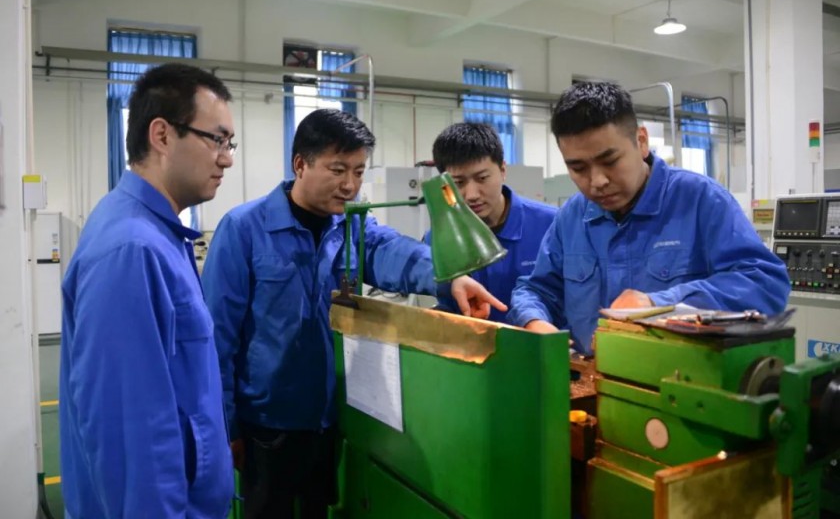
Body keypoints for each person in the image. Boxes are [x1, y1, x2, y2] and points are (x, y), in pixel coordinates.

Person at [201, 108, 504, 519]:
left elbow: (394, 252)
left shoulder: (352, 226)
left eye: (359, 172)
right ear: (300, 164)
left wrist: (450, 279)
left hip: (328, 421)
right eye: (338, 169)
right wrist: (226, 426)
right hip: (265, 425)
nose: (350, 184)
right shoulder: (244, 229)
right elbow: (217, 338)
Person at [59, 63, 237, 517]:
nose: (227, 159)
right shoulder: (131, 250)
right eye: (217, 140)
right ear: (161, 135)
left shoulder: (160, 236)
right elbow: (131, 440)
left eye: (229, 143)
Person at [507, 81, 790, 354]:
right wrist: (534, 320)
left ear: (641, 142)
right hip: (593, 377)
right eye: (578, 168)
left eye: (610, 161)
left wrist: (658, 304)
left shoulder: (701, 200)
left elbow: (765, 283)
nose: (598, 181)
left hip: (682, 378)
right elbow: (536, 289)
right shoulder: (571, 217)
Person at [424, 122, 557, 322]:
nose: (472, 195)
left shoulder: (551, 225)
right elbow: (447, 301)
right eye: (458, 183)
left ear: (503, 170)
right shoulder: (437, 241)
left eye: (482, 178)